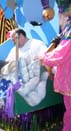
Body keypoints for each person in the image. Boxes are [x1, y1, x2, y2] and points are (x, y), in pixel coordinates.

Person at [36, 0, 71, 130]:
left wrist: (44, 58)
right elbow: (62, 40)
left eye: (63, 9)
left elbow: (63, 53)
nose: (60, 12)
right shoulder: (68, 25)